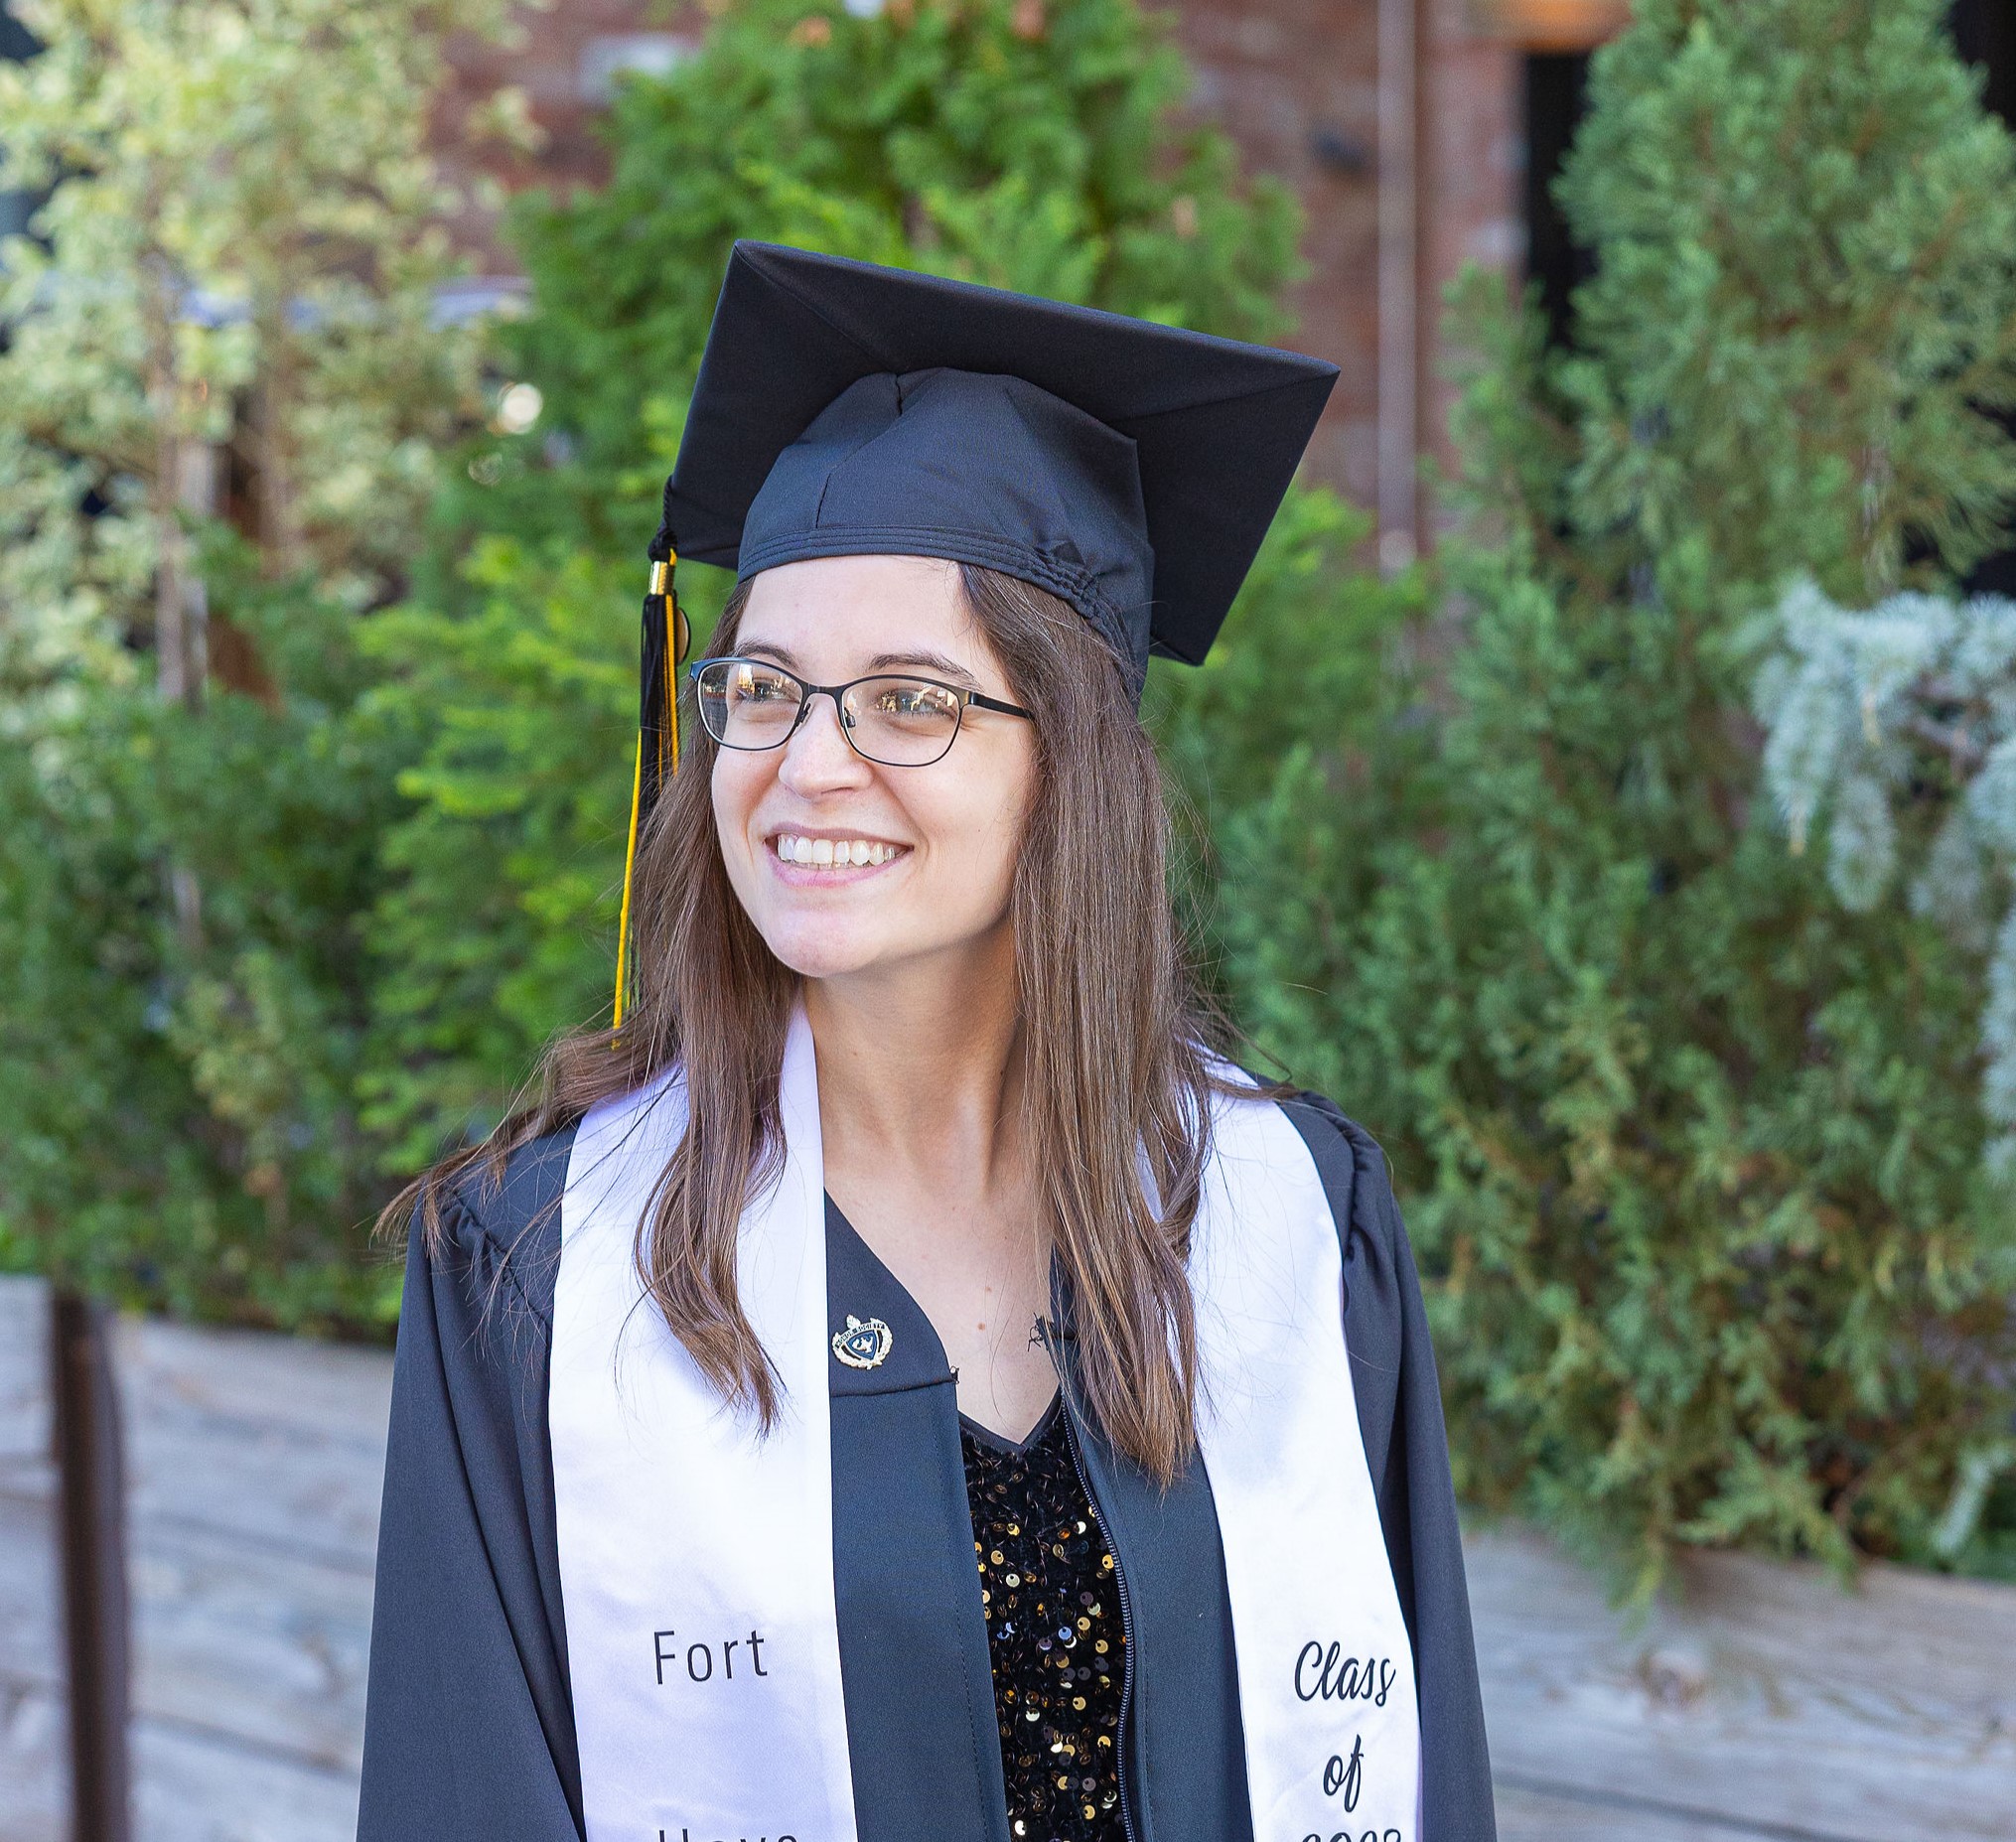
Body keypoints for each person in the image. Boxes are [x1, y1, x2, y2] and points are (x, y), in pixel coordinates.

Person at [358, 241, 1496, 1842]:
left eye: (908, 700)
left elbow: (1416, 1765)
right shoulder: (544, 1264)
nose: (807, 764)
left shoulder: (1290, 1220)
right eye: (764, 688)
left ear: (1070, 765)